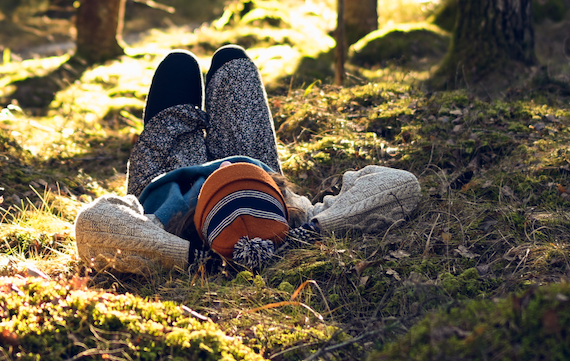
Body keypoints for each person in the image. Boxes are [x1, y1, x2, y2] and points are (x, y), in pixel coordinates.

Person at [74, 45, 421, 274]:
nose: (222, 166)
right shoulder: (292, 224)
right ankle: (244, 184)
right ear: (282, 203)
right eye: (232, 174)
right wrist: (312, 231)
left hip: (168, 178)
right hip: (256, 161)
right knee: (232, 61)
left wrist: (193, 258)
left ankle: (229, 189)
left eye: (220, 182)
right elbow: (403, 186)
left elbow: (93, 224)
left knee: (178, 67)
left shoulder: (163, 225)